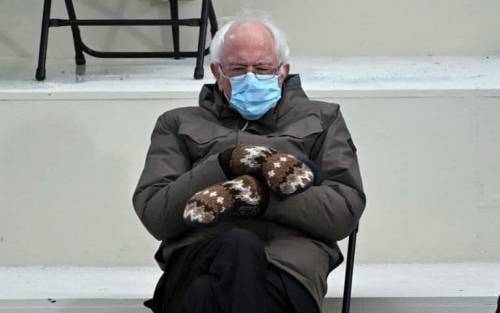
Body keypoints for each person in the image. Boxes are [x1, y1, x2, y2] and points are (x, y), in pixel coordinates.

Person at [132, 12, 366, 313]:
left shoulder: (323, 119)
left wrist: (261, 198)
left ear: (283, 71)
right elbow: (156, 214)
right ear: (218, 72)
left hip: (285, 269)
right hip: (199, 258)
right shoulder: (177, 123)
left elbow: (342, 212)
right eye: (239, 69)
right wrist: (225, 163)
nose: (252, 78)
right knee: (236, 247)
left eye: (264, 68)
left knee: (209, 291)